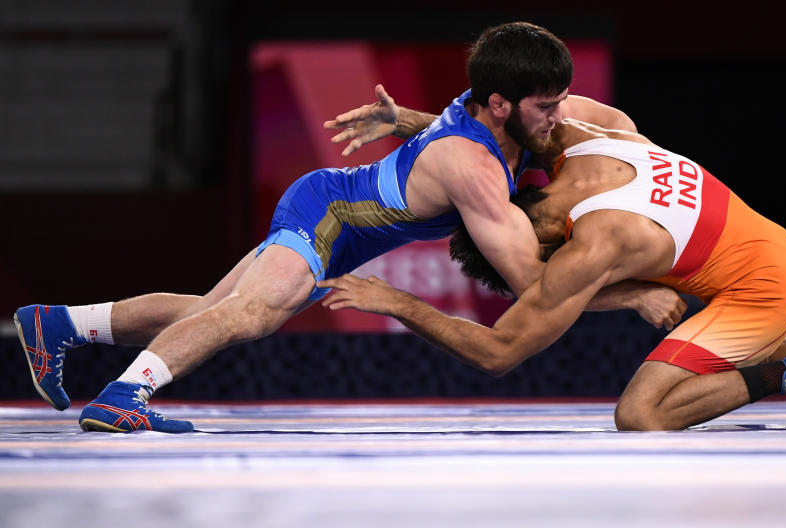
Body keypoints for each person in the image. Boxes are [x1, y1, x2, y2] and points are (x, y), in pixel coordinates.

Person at [13, 22, 686, 433]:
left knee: (210, 311)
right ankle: (125, 394)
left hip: (335, 209)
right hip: (328, 220)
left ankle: (61, 325)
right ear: (501, 104)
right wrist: (635, 298)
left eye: (563, 98)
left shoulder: (491, 110)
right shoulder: (474, 170)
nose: (560, 115)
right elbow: (535, 288)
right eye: (548, 105)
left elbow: (610, 127)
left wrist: (403, 121)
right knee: (254, 314)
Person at [317, 118, 786, 429]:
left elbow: (499, 352)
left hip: (765, 289)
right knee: (713, 349)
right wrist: (407, 120)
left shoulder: (593, 246)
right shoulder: (593, 136)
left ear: (520, 232)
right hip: (783, 251)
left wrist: (396, 301)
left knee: (640, 414)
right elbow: (486, 141)